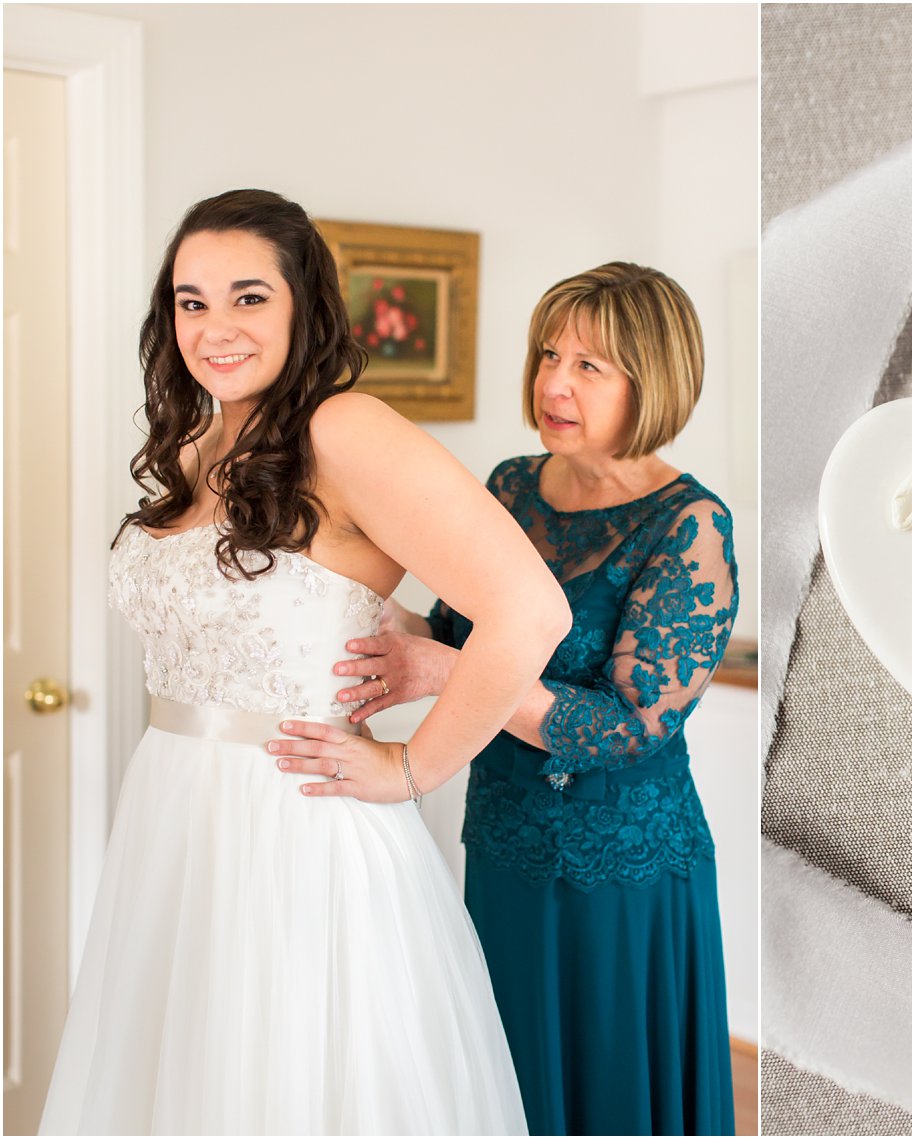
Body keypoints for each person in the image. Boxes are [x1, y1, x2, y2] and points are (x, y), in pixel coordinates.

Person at [39, 189, 570, 1135]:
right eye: (191, 301)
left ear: (303, 307)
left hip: (294, 825)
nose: (214, 326)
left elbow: (530, 610)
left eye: (248, 298)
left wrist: (413, 767)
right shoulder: (196, 439)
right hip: (171, 811)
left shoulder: (343, 429)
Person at [330, 262, 739, 1135]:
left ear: (654, 379)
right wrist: (326, 574)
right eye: (549, 354)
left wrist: (448, 674)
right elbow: (447, 627)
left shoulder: (693, 527)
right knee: (500, 1082)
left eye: (589, 366)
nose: (554, 382)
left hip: (620, 871)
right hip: (508, 843)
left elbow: (628, 727)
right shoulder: (512, 485)